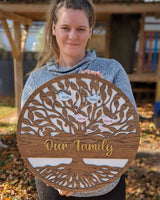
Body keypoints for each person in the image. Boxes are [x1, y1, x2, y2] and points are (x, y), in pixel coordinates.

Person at [21, 0, 137, 199]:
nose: (73, 36)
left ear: (91, 30)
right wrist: (57, 179)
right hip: (54, 191)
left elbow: (129, 132)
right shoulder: (38, 79)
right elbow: (29, 138)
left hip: (105, 191)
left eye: (81, 29)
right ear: (54, 28)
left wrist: (103, 99)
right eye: (65, 28)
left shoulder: (112, 70)